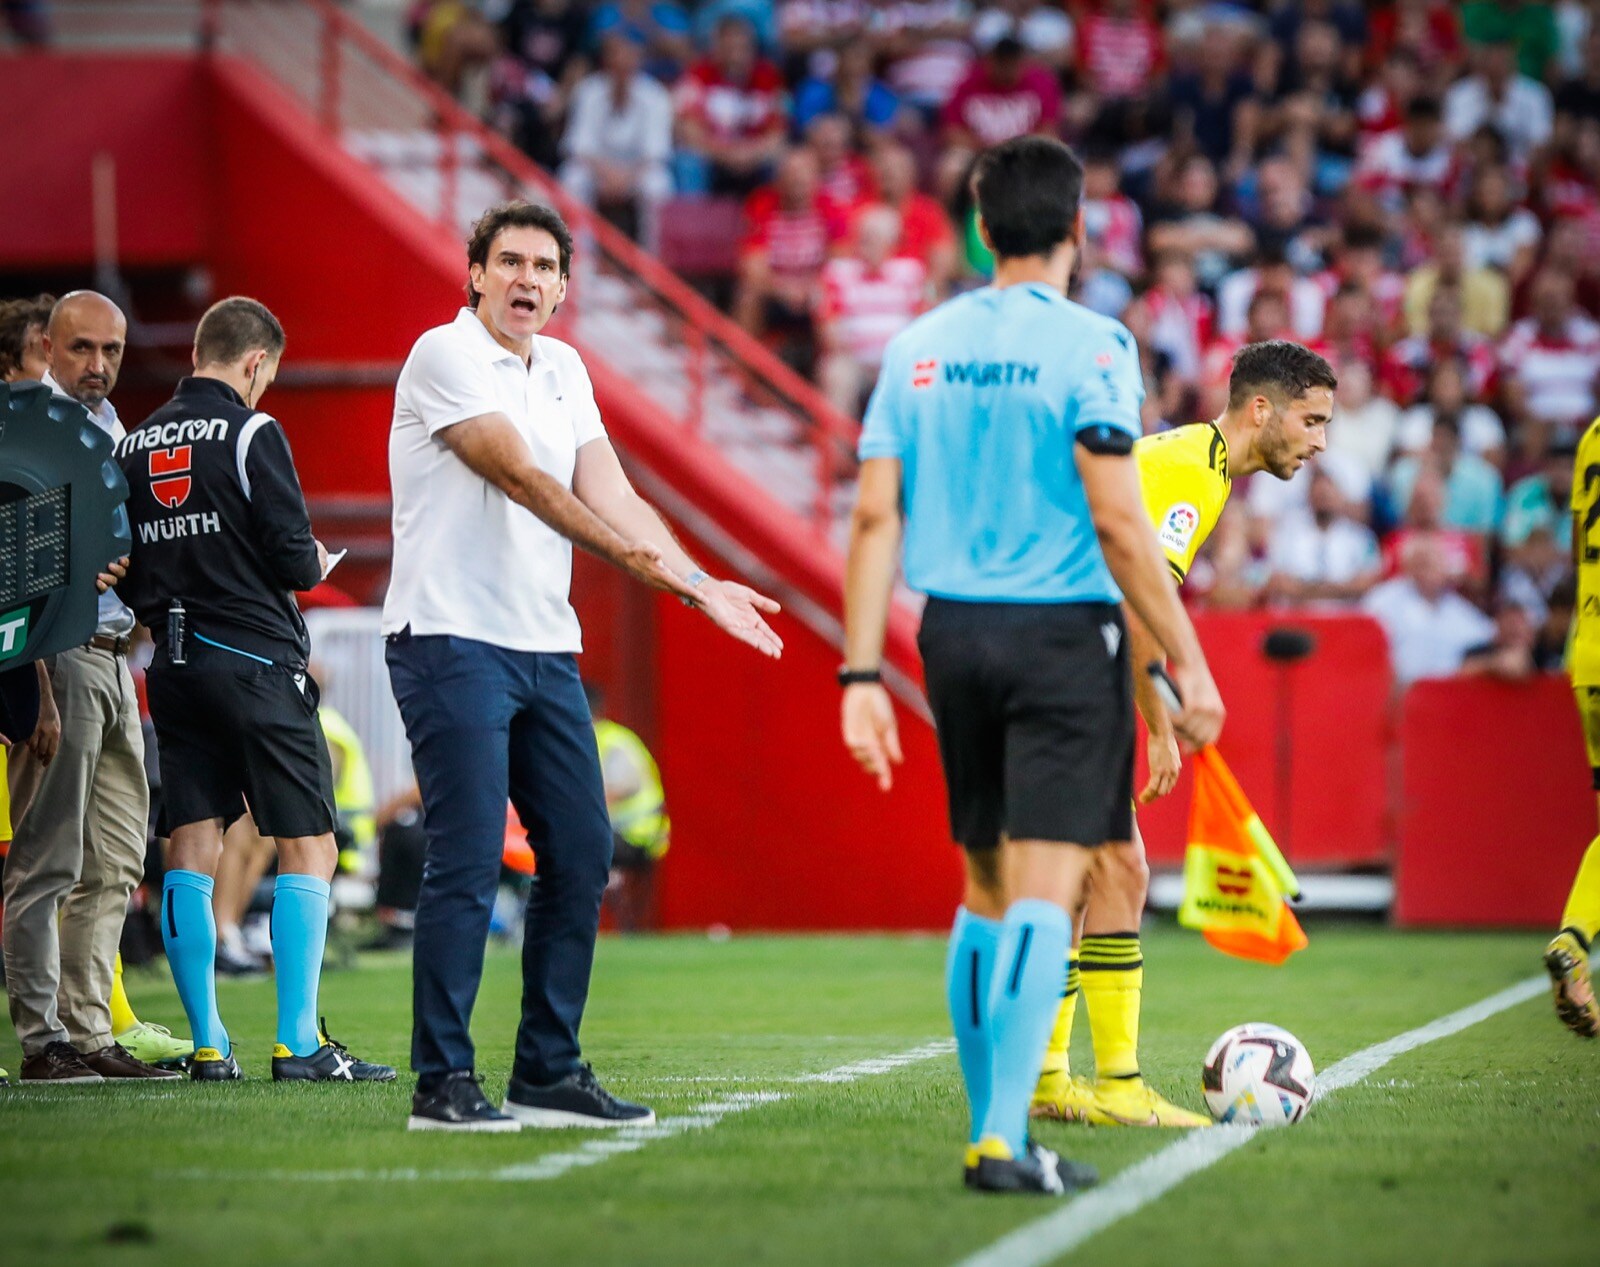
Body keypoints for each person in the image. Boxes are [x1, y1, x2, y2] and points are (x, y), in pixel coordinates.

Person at [840, 136, 1225, 1195]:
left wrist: (860, 676)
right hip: (1061, 638)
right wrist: (1185, 664)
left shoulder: (915, 346)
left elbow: (874, 514)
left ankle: (996, 1122)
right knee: (1047, 894)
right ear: (1078, 228)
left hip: (951, 633)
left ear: (976, 221)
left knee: (981, 889)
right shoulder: (1095, 344)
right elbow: (1116, 516)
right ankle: (1003, 1141)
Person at [384, 200, 783, 1132]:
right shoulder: (441, 354)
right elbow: (521, 476)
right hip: (449, 639)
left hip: (543, 647)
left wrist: (695, 580)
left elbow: (611, 488)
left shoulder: (563, 367)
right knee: (471, 851)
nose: (527, 279)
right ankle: (442, 1083)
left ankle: (547, 1071)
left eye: (544, 267)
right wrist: (650, 568)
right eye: (509, 262)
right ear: (476, 274)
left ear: (563, 289)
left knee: (584, 851)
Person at [1030, 341, 1336, 1129]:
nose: (1320, 441)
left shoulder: (1187, 463)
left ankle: (1050, 1077)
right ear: (1260, 409)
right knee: (1121, 870)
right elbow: (1140, 604)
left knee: (1087, 873)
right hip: (1057, 662)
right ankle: (1118, 1083)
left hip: (1048, 654)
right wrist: (1162, 717)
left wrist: (1149, 715)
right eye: (1312, 419)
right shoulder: (1191, 471)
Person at [116, 295, 394, 1084]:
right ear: (254, 361)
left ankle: (208, 1044)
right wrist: (314, 561)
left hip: (169, 667)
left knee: (189, 845)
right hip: (256, 661)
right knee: (311, 842)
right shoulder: (251, 431)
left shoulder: (136, 442)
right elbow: (291, 556)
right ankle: (298, 1043)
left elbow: (122, 560)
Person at [2, 292, 177, 1083]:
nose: (98, 365)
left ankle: (92, 1028)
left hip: (112, 652)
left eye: (111, 350)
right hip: (60, 654)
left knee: (114, 856)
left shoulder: (110, 428)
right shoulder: (24, 425)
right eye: (81, 348)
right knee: (46, 858)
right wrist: (33, 686)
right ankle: (44, 1041)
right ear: (47, 343)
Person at [1548, 410, 1600, 1038]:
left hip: (1587, 647)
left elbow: (1575, 539)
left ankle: (1574, 939)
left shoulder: (1589, 433)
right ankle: (1576, 936)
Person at [586, 682, 670, 933]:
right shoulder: (598, 739)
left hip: (638, 836)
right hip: (619, 834)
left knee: (566, 848)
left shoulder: (614, 742)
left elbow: (615, 792)